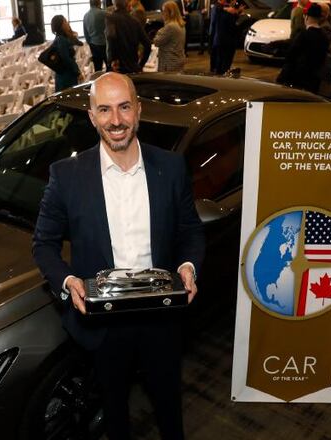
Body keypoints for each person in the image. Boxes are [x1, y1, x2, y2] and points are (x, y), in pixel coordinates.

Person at [32, 72, 204, 440]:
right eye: (105, 110)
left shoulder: (170, 168)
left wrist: (188, 267)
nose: (116, 120)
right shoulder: (67, 176)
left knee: (169, 409)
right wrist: (68, 281)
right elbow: (43, 243)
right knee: (113, 413)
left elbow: (190, 230)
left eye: (124, 107)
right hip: (103, 325)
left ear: (138, 110)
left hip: (161, 317)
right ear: (92, 116)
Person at [277, 3, 329, 94]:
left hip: (299, 79)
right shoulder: (324, 36)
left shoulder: (303, 35)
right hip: (314, 79)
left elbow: (291, 56)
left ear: (306, 17)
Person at [105, 0, 152, 74]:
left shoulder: (111, 18)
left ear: (114, 4)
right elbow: (148, 45)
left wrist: (111, 61)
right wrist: (141, 65)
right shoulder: (135, 21)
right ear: (127, 5)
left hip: (118, 67)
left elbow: (110, 38)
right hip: (133, 67)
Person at [50, 15, 82, 93]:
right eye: (65, 21)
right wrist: (77, 72)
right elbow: (66, 59)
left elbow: (79, 43)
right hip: (66, 75)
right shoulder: (61, 39)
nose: (67, 23)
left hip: (66, 73)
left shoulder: (63, 37)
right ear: (61, 25)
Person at [210, 0, 243, 74]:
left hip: (219, 41)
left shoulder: (220, 10)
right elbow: (234, 29)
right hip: (227, 43)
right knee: (224, 66)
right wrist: (236, 14)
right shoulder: (227, 13)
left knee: (220, 64)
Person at [153, 1, 186, 72]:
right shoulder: (181, 24)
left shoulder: (170, 27)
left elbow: (156, 42)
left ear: (171, 12)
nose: (162, 14)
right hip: (178, 59)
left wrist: (159, 31)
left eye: (164, 11)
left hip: (169, 63)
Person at [83, 0, 107, 71]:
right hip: (105, 44)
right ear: (99, 3)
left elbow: (86, 33)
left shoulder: (86, 16)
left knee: (97, 68)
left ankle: (98, 81)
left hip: (94, 45)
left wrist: (90, 44)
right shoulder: (104, 13)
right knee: (109, 67)